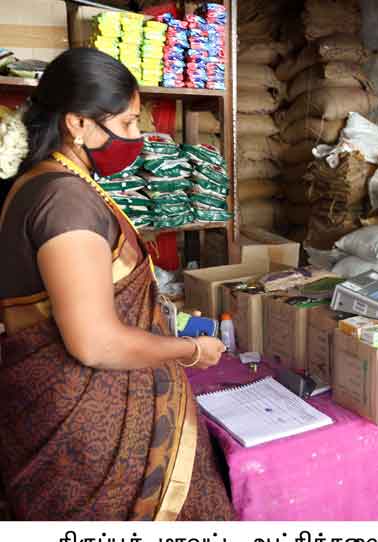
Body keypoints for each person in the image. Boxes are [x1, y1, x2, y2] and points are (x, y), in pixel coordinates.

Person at [0, 48, 235, 520]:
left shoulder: (45, 183)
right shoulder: (64, 201)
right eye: (126, 124)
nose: (137, 138)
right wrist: (191, 352)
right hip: (89, 435)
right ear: (78, 124)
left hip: (63, 414)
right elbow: (95, 343)